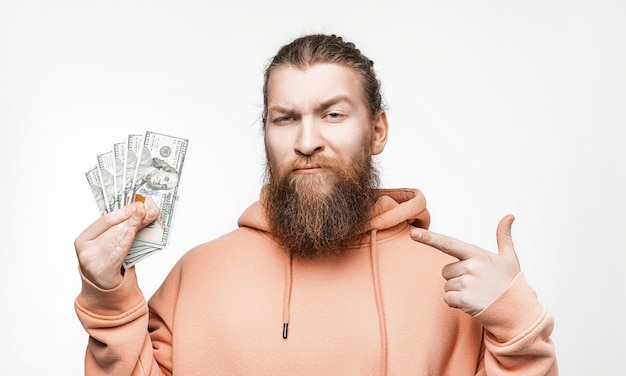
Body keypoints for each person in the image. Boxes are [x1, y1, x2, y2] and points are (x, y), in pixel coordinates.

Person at [74, 34, 558, 375]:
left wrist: (517, 323)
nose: (307, 141)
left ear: (378, 131)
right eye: (285, 118)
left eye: (333, 114)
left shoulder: (456, 285)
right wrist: (108, 298)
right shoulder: (195, 275)